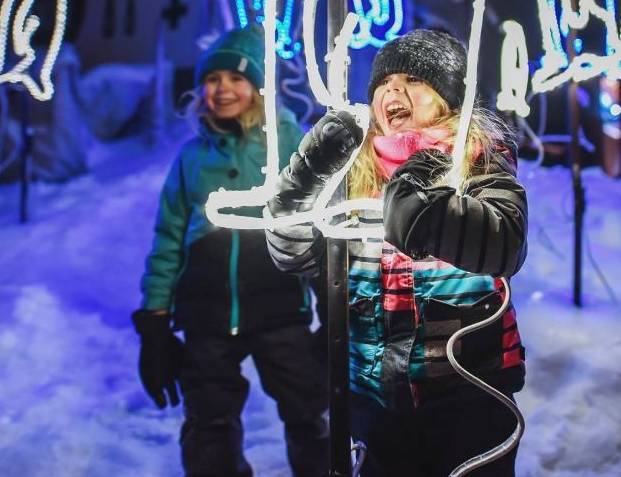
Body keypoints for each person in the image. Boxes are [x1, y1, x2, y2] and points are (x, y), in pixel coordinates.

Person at [265, 29, 529, 477]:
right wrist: (307, 178)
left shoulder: (478, 161)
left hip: (469, 394)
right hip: (375, 398)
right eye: (383, 83)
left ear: (448, 99)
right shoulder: (352, 175)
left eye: (414, 80)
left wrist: (426, 209)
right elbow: (293, 254)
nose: (393, 89)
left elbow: (504, 241)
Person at [132, 26, 328, 477]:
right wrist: (155, 322)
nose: (223, 90)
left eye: (236, 79)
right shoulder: (191, 158)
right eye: (213, 80)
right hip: (207, 315)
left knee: (309, 412)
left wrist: (331, 301)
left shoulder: (290, 147)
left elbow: (317, 225)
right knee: (208, 425)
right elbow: (168, 238)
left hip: (279, 306)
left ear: (258, 87)